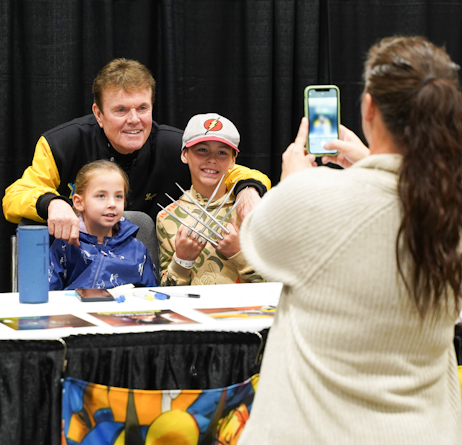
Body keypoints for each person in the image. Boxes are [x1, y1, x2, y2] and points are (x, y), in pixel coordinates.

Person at [237, 36, 462, 444]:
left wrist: (293, 183)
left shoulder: (316, 196)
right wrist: (374, 162)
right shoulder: (449, 207)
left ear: (369, 108)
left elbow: (256, 238)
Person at [2, 58, 271, 247]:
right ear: (98, 113)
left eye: (142, 108)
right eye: (121, 110)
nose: (134, 119)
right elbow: (14, 196)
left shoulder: (174, 145)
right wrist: (54, 202)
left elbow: (233, 169)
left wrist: (247, 190)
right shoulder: (62, 143)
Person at [156, 113, 265, 286]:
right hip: (191, 311)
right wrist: (182, 260)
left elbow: (271, 287)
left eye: (222, 152)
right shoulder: (167, 217)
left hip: (245, 311)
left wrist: (239, 254)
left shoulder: (248, 210)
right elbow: (166, 292)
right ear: (185, 154)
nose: (212, 159)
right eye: (202, 150)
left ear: (232, 161)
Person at [49, 160, 158, 290]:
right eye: (101, 196)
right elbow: (49, 297)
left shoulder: (137, 250)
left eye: (118, 196)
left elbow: (152, 296)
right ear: (79, 202)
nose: (112, 203)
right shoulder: (65, 245)